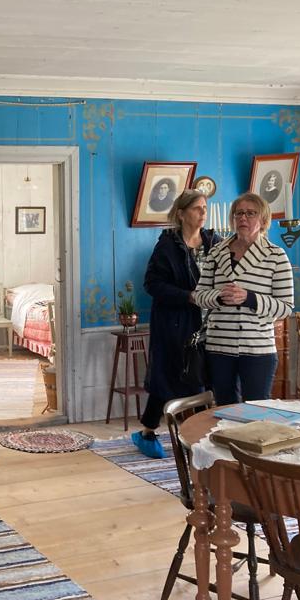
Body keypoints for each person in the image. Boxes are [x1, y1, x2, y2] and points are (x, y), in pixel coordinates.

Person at [132, 190, 219, 458]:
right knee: (169, 378)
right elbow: (152, 284)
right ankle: (153, 433)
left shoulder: (215, 243)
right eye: (196, 208)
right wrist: (188, 296)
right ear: (181, 214)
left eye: (205, 208)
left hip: (211, 324)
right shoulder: (168, 246)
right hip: (174, 324)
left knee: (203, 380)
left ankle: (198, 436)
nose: (203, 213)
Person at [191, 193, 294, 405]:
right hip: (219, 346)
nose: (243, 218)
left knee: (257, 409)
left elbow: (285, 307)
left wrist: (249, 298)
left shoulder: (276, 256)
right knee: (224, 408)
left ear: (263, 220)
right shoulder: (216, 252)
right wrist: (219, 296)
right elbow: (199, 296)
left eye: (250, 213)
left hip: (257, 347)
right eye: (238, 213)